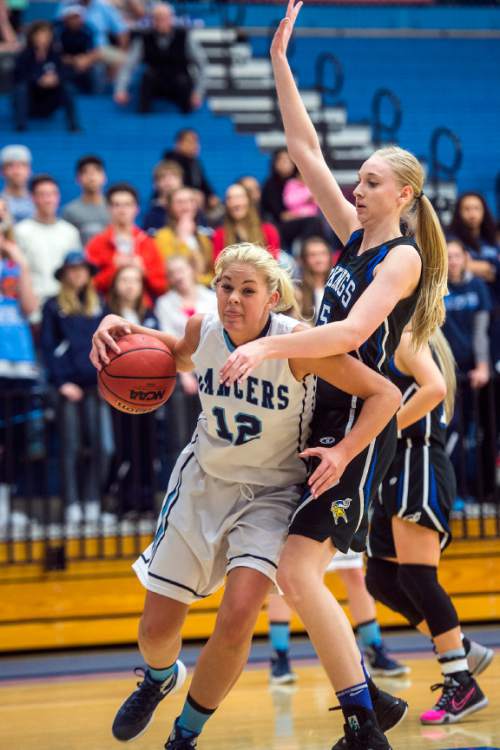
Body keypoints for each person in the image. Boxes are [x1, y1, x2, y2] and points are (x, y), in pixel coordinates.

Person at [219, 4, 448, 748]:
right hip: (327, 416)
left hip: (359, 423)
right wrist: (282, 62)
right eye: (358, 179)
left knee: (298, 572)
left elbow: (353, 335)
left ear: (403, 196)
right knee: (296, 574)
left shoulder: (401, 258)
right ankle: (367, 703)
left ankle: (362, 717)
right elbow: (302, 144)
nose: (357, 187)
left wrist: (268, 348)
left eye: (372, 181)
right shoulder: (354, 242)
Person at [90, 242, 401, 749]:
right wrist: (114, 323)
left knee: (237, 616)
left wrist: (343, 453)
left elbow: (384, 394)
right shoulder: (204, 328)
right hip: (204, 483)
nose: (232, 299)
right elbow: (173, 353)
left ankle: (184, 736)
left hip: (272, 495)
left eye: (247, 290)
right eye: (225, 286)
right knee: (155, 630)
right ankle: (158, 677)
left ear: (273, 297)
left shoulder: (299, 345)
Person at [366, 326, 491, 724]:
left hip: (416, 464)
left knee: (419, 577)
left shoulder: (407, 339)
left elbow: (435, 388)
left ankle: (461, 679)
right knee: (382, 579)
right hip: (394, 469)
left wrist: (385, 429)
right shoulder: (389, 341)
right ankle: (461, 646)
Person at [40, 250, 113, 525]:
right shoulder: (52, 306)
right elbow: (48, 347)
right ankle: (72, 503)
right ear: (64, 274)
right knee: (70, 447)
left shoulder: (100, 305)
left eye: (82, 269)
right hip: (68, 389)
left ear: (89, 274)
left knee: (103, 447)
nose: (77, 274)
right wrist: (62, 382)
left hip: (97, 387)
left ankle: (93, 500)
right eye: (72, 269)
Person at [268, 550, 409, 685]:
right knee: (285, 579)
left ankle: (374, 649)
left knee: (355, 573)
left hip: (334, 525)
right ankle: (280, 654)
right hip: (292, 527)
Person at [106, 264, 160, 517]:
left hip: (148, 392)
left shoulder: (149, 315)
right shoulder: (107, 316)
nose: (129, 285)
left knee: (147, 448)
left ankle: (146, 500)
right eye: (124, 280)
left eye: (134, 280)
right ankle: (124, 501)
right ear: (115, 284)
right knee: (123, 446)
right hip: (118, 392)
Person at [0, 196, 39, 535]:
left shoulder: (15, 256)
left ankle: (7, 504)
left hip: (19, 358)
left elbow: (30, 306)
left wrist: (20, 263)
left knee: (16, 436)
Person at [442, 238, 492, 501]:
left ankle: (478, 492)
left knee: (476, 434)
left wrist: (483, 366)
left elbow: (481, 331)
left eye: (457, 256)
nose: (453, 261)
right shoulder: (438, 288)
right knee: (452, 435)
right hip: (447, 375)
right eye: (448, 256)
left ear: (465, 258)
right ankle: (455, 494)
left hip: (475, 373)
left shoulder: (478, 286)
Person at [155, 255, 217, 458]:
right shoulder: (164, 303)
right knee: (180, 432)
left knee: (210, 431)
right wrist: (185, 375)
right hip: (180, 372)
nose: (178, 276)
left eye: (181, 270)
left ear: (192, 270)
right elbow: (168, 339)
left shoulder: (211, 297)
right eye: (172, 274)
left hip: (211, 370)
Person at [114, 2, 206, 114]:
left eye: (164, 18)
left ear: (171, 18)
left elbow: (202, 64)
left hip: (179, 79)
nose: (161, 22)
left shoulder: (185, 37)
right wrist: (121, 90)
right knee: (146, 78)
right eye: (157, 18)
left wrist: (198, 93)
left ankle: (186, 118)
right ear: (153, 20)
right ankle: (143, 118)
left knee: (184, 83)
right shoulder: (144, 38)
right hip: (156, 81)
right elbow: (129, 65)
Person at [86, 182, 166, 302]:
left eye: (128, 205)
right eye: (116, 205)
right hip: (108, 310)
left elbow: (162, 287)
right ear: (108, 209)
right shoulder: (97, 243)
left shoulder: (148, 242)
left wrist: (144, 271)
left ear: (136, 209)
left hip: (143, 312)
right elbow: (89, 286)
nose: (122, 210)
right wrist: (114, 269)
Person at [14, 174, 81, 319]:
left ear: (58, 197)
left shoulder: (70, 232)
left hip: (65, 310)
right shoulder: (20, 232)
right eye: (42, 194)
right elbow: (15, 273)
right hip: (33, 312)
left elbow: (78, 273)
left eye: (52, 194)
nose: (48, 199)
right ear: (32, 198)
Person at [448, 192, 500, 368]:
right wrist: (486, 268)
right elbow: (455, 267)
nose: (472, 213)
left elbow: (495, 272)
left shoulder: (491, 240)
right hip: (465, 310)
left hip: (493, 312)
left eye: (476, 208)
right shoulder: (452, 239)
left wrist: (475, 266)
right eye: (467, 209)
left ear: (484, 211)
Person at [12, 20, 80, 132]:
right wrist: (39, 80)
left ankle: (74, 126)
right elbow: (19, 76)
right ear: (33, 36)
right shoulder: (24, 55)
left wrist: (56, 79)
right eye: (40, 35)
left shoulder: (55, 55)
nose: (44, 38)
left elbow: (66, 72)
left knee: (68, 88)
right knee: (21, 89)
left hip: (49, 98)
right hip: (31, 99)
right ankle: (21, 126)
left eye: (47, 35)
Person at [155, 187, 213, 286]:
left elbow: (210, 273)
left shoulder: (203, 238)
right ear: (170, 207)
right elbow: (172, 271)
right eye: (180, 202)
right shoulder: (162, 237)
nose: (186, 206)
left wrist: (201, 281)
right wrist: (184, 239)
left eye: (191, 201)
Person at [213, 183, 280, 262]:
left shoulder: (269, 231)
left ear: (249, 200)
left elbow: (273, 263)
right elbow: (217, 265)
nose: (235, 203)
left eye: (239, 197)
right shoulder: (220, 235)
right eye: (230, 198)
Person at [163, 129, 218, 211]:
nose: (195, 145)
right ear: (178, 144)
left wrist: (211, 195)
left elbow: (204, 183)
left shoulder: (196, 162)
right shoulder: (171, 162)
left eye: (196, 141)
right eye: (190, 141)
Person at [62, 155, 109, 246]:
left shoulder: (114, 208)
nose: (92, 177)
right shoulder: (69, 211)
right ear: (77, 179)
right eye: (86, 172)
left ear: (104, 177)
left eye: (96, 171)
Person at [55, 5, 100, 93]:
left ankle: (96, 97)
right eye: (72, 17)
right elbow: (56, 55)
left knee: (98, 69)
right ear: (66, 19)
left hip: (84, 62)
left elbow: (96, 51)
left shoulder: (88, 29)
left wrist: (87, 60)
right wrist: (74, 61)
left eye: (78, 17)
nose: (76, 20)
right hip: (66, 63)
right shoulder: (58, 31)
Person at [297, 235, 334, 320]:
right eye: (312, 255)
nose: (319, 260)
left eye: (323, 254)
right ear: (304, 259)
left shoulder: (339, 287)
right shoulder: (297, 291)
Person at [142, 160, 184, 234]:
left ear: (181, 181)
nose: (168, 180)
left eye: (173, 176)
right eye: (163, 177)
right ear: (155, 184)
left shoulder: (191, 209)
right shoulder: (147, 211)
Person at [260, 147, 297, 227]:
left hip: (299, 219)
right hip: (276, 224)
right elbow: (282, 215)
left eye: (288, 160)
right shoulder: (270, 185)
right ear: (275, 163)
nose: (285, 164)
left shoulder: (299, 182)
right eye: (282, 160)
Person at [0, 144, 34, 223]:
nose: (17, 171)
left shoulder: (40, 201)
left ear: (29, 170)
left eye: (22, 165)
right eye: (10, 166)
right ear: (2, 171)